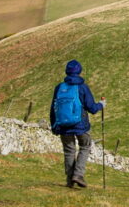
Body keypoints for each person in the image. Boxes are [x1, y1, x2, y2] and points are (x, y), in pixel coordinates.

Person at [50, 59, 106, 188]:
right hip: (81, 126)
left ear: (67, 72)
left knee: (69, 151)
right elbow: (91, 108)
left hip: (63, 125)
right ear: (79, 71)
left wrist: (54, 125)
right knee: (85, 147)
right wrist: (101, 105)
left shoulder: (59, 88)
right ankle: (78, 175)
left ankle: (70, 181)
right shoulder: (82, 87)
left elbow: (53, 108)